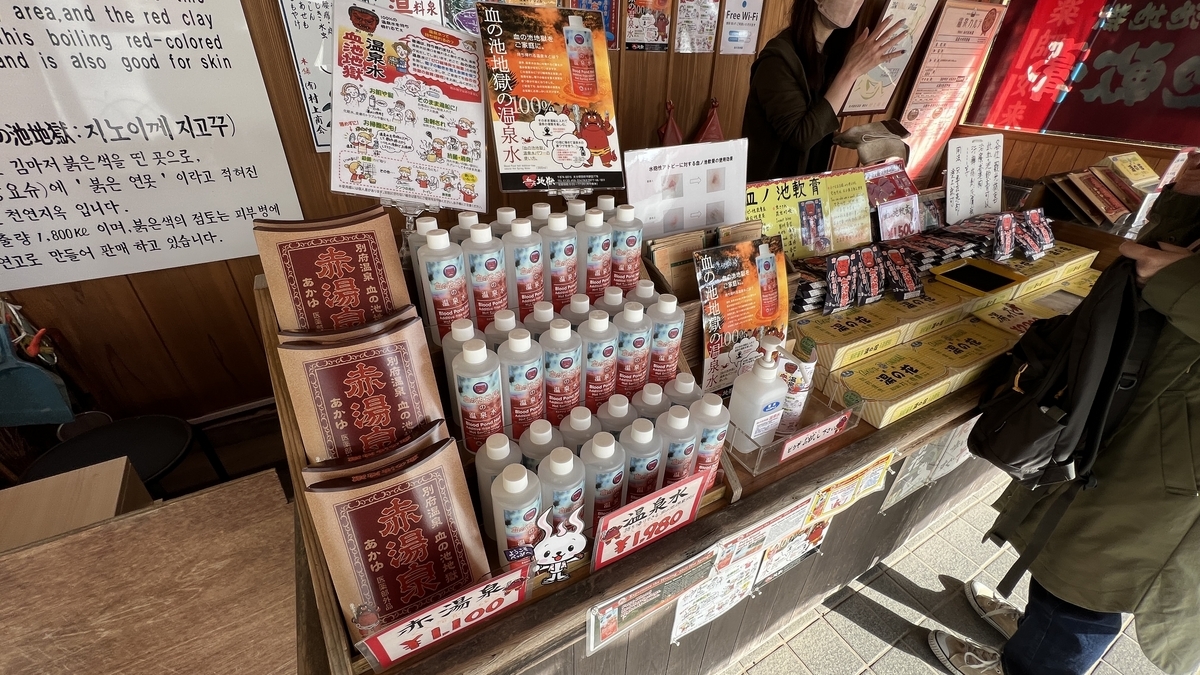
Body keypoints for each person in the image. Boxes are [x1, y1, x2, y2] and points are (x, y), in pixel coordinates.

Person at [929, 151, 1200, 675]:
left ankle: (1032, 664)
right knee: (1065, 556)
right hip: (1135, 410)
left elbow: (1169, 278)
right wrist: (1188, 198)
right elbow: (1155, 259)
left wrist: (1182, 281)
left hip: (1172, 465)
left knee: (1085, 588)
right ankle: (1034, 637)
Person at [741, 0, 907, 181]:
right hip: (770, 194)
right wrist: (850, 72)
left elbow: (809, 117)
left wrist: (842, 136)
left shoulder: (829, 53)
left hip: (808, 188)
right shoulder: (777, 60)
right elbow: (801, 136)